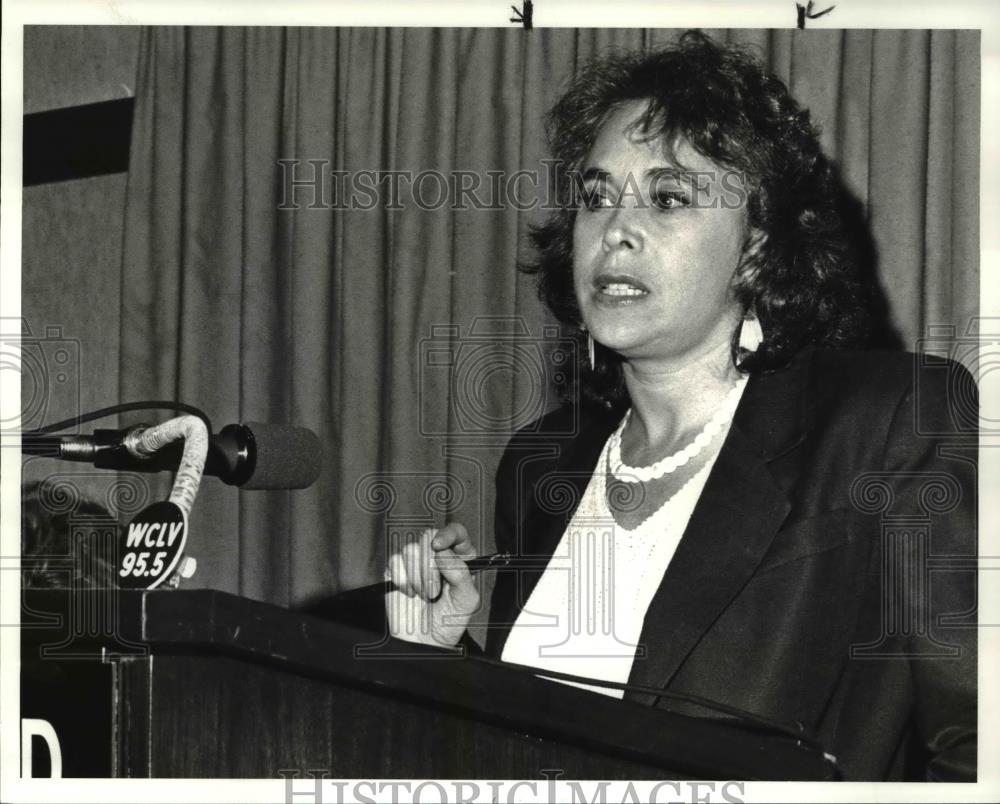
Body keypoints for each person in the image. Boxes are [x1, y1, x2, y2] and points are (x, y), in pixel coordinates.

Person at [384, 31, 977, 781]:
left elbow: (975, 745)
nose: (615, 232)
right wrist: (446, 661)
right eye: (598, 197)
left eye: (668, 199)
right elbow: (537, 741)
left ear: (758, 246)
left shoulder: (888, 422)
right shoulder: (540, 467)